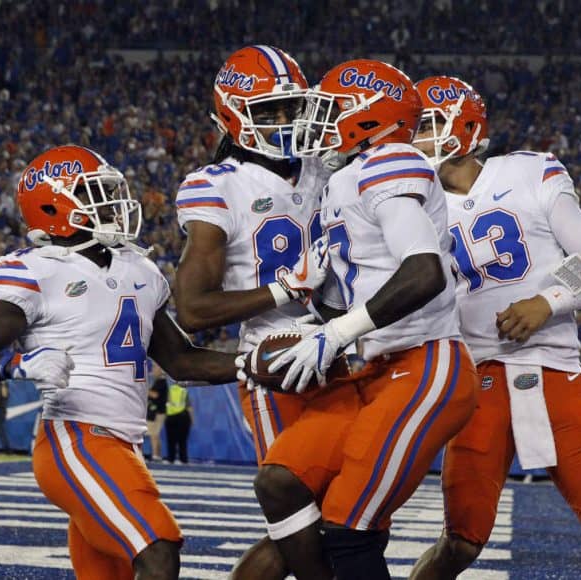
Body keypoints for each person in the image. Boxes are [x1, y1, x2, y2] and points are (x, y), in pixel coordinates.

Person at [0, 145, 240, 580]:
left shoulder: (139, 268)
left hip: (125, 444)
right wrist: (18, 364)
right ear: (55, 205)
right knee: (157, 551)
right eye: (97, 192)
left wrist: (255, 362)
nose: (113, 203)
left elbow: (182, 361)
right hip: (75, 438)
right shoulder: (35, 270)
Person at [250, 61, 478, 580]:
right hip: (372, 369)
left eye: (329, 109)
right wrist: (313, 315)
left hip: (424, 362)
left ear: (366, 116)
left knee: (350, 523)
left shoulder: (389, 160)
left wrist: (338, 332)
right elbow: (359, 295)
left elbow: (425, 272)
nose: (317, 120)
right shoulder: (345, 177)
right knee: (280, 481)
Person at [407, 76, 581, 580]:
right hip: (477, 380)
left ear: (463, 124)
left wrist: (547, 301)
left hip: (554, 369)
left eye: (424, 125)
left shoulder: (530, 171)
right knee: (460, 544)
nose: (412, 137)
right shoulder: (408, 203)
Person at [172, 45, 333, 580]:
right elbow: (193, 309)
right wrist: (286, 288)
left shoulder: (328, 167)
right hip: (277, 361)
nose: (285, 121)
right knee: (303, 516)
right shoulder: (217, 186)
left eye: (291, 107)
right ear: (232, 115)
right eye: (268, 111)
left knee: (339, 516)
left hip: (346, 351)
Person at [164, 382, 192, 465]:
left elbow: (166, 402)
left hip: (170, 417)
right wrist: (192, 420)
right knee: (182, 440)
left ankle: (170, 459)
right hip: (183, 417)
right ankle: (183, 460)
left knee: (171, 440)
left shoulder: (170, 390)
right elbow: (189, 407)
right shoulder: (184, 391)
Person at [146, 374, 167, 461]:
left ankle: (155, 455)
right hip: (156, 412)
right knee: (156, 434)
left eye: (155, 367)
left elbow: (155, 395)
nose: (153, 370)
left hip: (157, 413)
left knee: (153, 434)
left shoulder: (161, 382)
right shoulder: (158, 382)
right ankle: (157, 455)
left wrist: (144, 389)